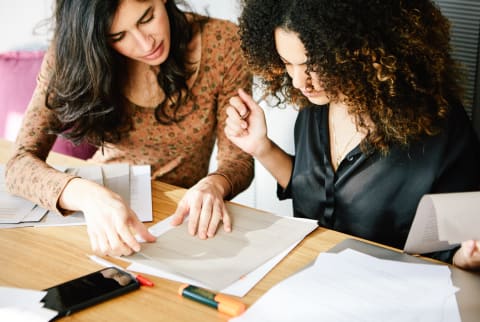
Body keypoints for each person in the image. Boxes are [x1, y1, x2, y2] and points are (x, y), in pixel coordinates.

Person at [225, 0, 480, 269]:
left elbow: (455, 246)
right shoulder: (315, 110)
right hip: (307, 278)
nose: (300, 82)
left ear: (362, 49)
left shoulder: (438, 127)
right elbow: (313, 190)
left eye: (312, 64)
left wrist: (467, 257)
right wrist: (262, 148)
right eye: (288, 63)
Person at [5, 0, 253, 256]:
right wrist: (87, 195)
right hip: (93, 213)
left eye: (147, 18)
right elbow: (18, 165)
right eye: (119, 36)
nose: (146, 44)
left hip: (176, 218)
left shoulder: (223, 43)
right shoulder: (71, 54)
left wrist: (214, 184)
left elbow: (239, 159)